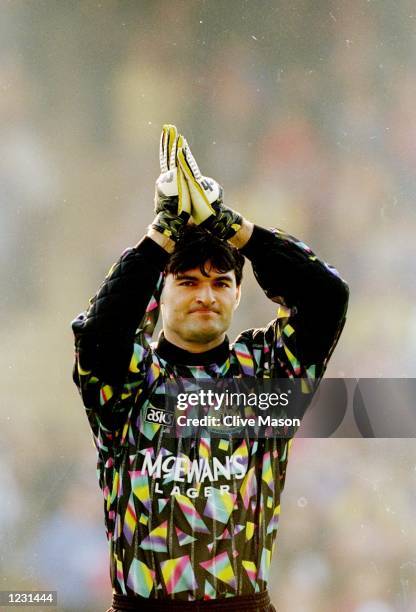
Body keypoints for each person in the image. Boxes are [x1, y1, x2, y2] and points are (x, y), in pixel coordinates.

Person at [71, 125, 349, 612]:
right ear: (161, 292)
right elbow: (100, 331)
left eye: (221, 282)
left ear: (239, 294)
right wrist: (162, 234)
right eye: (188, 280)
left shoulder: (265, 373)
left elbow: (327, 297)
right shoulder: (132, 379)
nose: (206, 294)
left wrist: (231, 227)